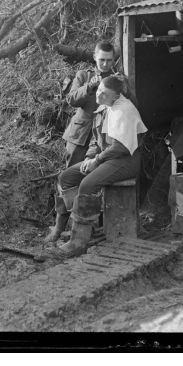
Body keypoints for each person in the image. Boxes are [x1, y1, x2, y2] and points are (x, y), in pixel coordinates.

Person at [41, 75, 147, 259]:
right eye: (99, 90)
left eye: (104, 93)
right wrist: (90, 157)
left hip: (125, 161)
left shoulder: (125, 110)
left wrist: (97, 160)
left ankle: (78, 240)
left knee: (87, 185)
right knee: (66, 177)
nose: (99, 95)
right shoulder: (105, 107)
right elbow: (97, 139)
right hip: (107, 157)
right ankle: (60, 228)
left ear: (116, 96)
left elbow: (121, 147)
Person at [62, 40, 116, 168]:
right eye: (101, 59)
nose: (105, 64)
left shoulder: (116, 80)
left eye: (109, 60)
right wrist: (89, 87)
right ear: (94, 57)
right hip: (79, 136)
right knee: (71, 175)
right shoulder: (83, 75)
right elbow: (71, 100)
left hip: (102, 139)